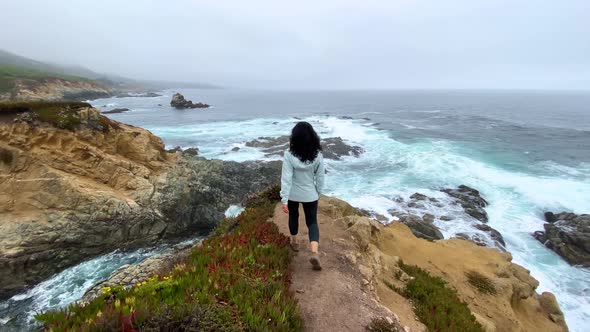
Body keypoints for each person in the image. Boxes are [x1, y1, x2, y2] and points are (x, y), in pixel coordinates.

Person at [280, 121, 325, 271]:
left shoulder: (288, 155)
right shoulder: (318, 155)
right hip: (310, 194)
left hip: (293, 194)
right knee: (312, 222)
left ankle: (294, 242)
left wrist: (284, 198)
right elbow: (320, 177)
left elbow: (286, 178)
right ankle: (314, 252)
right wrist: (318, 192)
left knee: (293, 217)